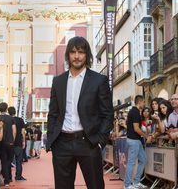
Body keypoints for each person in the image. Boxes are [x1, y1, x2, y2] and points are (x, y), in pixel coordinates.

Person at [47, 36, 113, 189]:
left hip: (88, 142)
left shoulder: (99, 80)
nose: (77, 56)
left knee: (95, 186)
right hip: (62, 143)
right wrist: (52, 139)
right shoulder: (58, 81)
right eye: (73, 52)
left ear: (87, 55)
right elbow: (53, 113)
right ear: (68, 55)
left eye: (81, 52)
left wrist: (99, 141)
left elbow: (107, 114)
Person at [124, 95, 149, 189]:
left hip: (136, 140)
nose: (144, 104)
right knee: (131, 162)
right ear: (140, 102)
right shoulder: (134, 112)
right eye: (143, 102)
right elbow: (136, 128)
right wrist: (146, 136)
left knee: (143, 160)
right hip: (133, 140)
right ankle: (127, 185)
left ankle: (136, 182)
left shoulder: (135, 112)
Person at [0, 102, 16, 187]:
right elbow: (14, 131)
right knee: (9, 161)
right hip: (10, 143)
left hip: (1, 142)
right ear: (6, 108)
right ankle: (8, 178)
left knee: (4, 161)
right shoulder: (11, 118)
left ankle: (6, 180)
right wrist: (13, 140)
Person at [8, 106, 26, 181]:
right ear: (15, 111)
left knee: (8, 161)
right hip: (18, 143)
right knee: (19, 161)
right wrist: (24, 141)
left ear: (8, 112)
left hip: (9, 143)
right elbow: (23, 132)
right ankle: (18, 176)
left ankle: (8, 177)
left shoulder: (7, 119)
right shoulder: (20, 120)